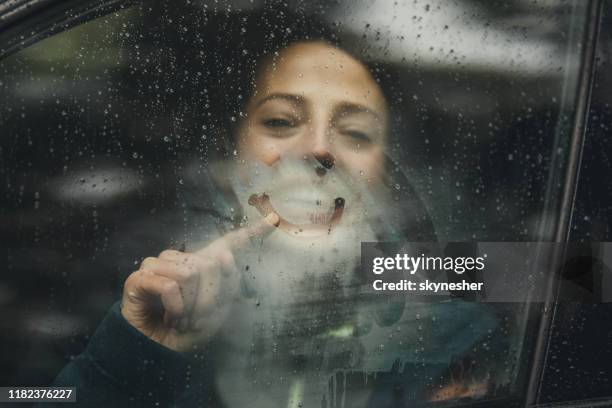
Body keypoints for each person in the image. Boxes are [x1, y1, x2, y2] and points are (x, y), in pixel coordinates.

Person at [50, 7, 495, 408]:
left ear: (384, 176)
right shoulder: (124, 300)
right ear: (230, 154)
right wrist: (138, 354)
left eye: (357, 133)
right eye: (281, 121)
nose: (320, 148)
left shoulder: (451, 337)